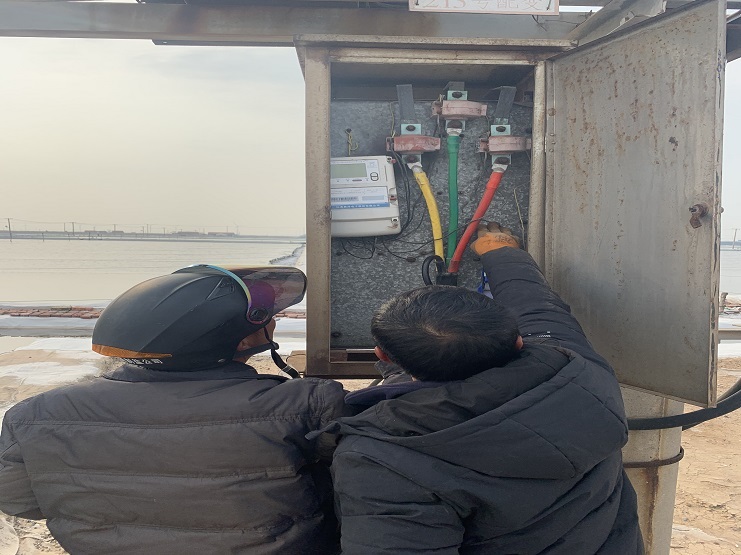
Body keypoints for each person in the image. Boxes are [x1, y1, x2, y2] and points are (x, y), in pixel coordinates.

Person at [328, 223, 644, 554]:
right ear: (519, 341)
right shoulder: (580, 371)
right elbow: (535, 303)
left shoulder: (383, 458)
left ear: (382, 356)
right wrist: (500, 250)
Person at [0, 264, 346, 555]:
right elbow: (347, 485)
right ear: (244, 340)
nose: (273, 322)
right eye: (268, 318)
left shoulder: (32, 415)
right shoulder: (306, 404)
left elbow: (19, 501)